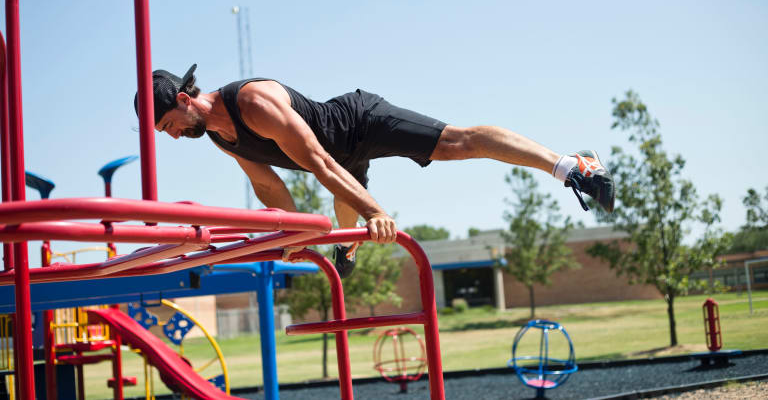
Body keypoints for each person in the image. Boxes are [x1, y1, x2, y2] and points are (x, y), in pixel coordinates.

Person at [135, 64, 615, 278]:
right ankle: (346, 250)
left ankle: (572, 165)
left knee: (458, 143)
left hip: (360, 123)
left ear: (184, 99)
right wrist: (293, 236)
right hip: (337, 164)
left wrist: (375, 213)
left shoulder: (252, 102)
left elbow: (320, 162)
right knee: (341, 203)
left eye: (168, 125)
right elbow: (267, 183)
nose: (172, 136)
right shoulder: (219, 136)